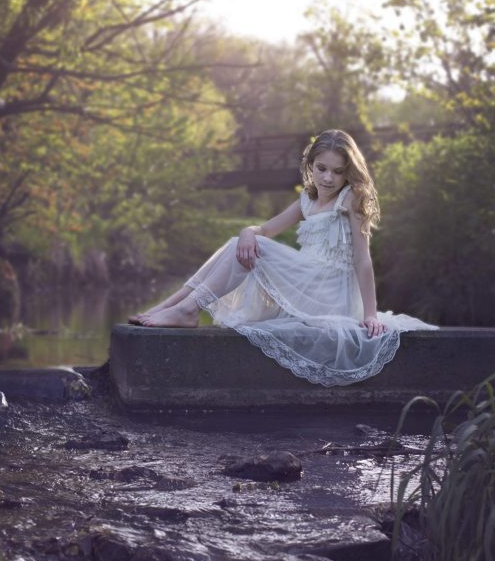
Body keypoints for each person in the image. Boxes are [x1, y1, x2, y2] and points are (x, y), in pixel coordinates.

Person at [128, 128, 437, 386]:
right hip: (308, 283)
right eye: (321, 169)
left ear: (348, 172)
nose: (328, 178)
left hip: (331, 292)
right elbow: (266, 229)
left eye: (337, 171)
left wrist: (370, 314)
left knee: (247, 245)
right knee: (237, 243)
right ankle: (174, 306)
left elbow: (362, 259)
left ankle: (184, 310)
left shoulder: (351, 198)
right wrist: (250, 230)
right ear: (310, 165)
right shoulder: (308, 198)